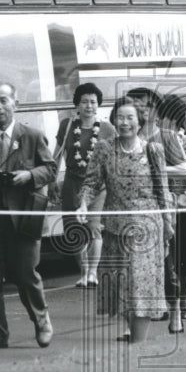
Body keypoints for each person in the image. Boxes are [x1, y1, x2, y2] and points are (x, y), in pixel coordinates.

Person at [0, 82, 57, 349]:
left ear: (15, 103)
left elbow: (50, 169)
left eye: (3, 100)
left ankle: (41, 320)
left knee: (26, 273)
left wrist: (29, 175)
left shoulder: (32, 135)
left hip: (24, 216)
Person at [77, 96, 173, 343]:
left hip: (146, 228)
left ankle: (138, 343)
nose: (124, 122)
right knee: (121, 284)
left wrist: (168, 225)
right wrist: (84, 203)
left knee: (140, 284)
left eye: (130, 117)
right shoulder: (104, 149)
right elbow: (91, 182)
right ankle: (132, 334)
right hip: (115, 227)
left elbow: (163, 190)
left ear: (140, 122)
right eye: (120, 117)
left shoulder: (153, 150)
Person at [149, 93, 186, 330]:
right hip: (157, 209)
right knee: (162, 257)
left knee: (185, 257)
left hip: (184, 209)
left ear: (176, 120)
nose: (161, 122)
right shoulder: (150, 143)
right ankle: (165, 301)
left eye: (166, 118)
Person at [54, 83, 115, 287]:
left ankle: (93, 273)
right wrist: (52, 179)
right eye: (84, 102)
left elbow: (113, 159)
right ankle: (83, 273)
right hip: (72, 183)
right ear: (77, 104)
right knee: (74, 229)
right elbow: (57, 154)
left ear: (98, 105)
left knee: (94, 227)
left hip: (97, 185)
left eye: (93, 102)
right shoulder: (67, 125)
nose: (89, 106)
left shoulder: (107, 128)